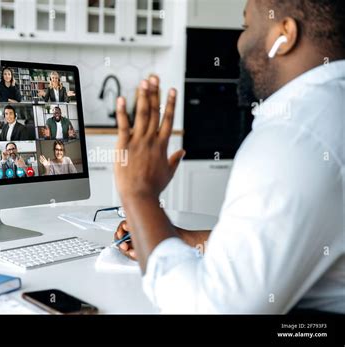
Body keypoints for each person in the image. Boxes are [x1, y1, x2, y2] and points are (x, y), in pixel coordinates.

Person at [113, 0, 345, 314]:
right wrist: (177, 238)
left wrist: (139, 194)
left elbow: (212, 309)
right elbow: (277, 241)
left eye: (247, 26)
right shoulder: (330, 107)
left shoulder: (292, 137)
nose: (239, 43)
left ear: (284, 34)